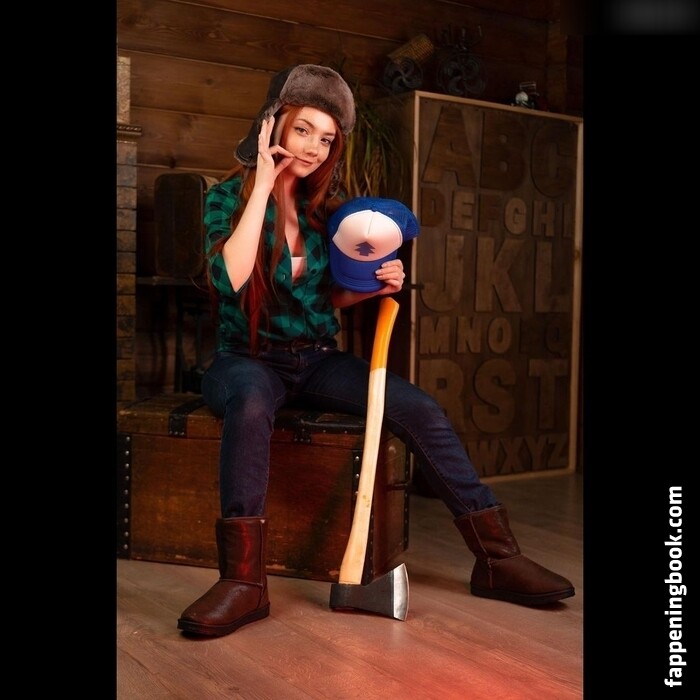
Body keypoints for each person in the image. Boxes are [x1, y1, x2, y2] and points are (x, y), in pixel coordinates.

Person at [177, 64, 575, 637]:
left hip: (316, 358)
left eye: (326, 139)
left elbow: (330, 296)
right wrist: (262, 184)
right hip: (246, 361)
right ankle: (243, 583)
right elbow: (228, 279)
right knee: (252, 403)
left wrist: (375, 284)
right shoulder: (224, 199)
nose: (313, 147)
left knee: (418, 407)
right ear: (273, 125)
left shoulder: (326, 212)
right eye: (303, 130)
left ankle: (497, 558)